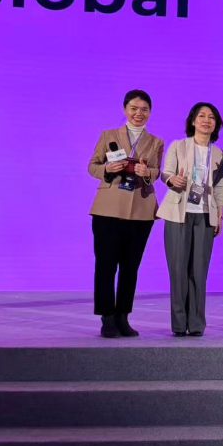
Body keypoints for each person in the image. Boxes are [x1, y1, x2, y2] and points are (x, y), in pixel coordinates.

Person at [87, 89, 164, 338]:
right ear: (125, 110)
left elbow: (157, 172)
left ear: (150, 112)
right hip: (108, 209)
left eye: (144, 109)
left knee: (131, 267)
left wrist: (147, 173)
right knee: (106, 265)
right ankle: (107, 317)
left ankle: (123, 316)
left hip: (141, 211)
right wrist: (108, 168)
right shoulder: (108, 135)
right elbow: (92, 166)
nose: (138, 113)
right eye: (134, 108)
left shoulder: (156, 142)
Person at [157, 102, 223, 337]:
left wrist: (219, 214)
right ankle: (179, 324)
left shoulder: (219, 154)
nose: (206, 120)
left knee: (199, 271)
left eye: (211, 117)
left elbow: (220, 187)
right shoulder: (178, 146)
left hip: (205, 215)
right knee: (178, 271)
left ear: (216, 124)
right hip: (179, 214)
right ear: (193, 121)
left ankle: (196, 324)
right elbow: (166, 173)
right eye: (202, 116)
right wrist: (172, 181)